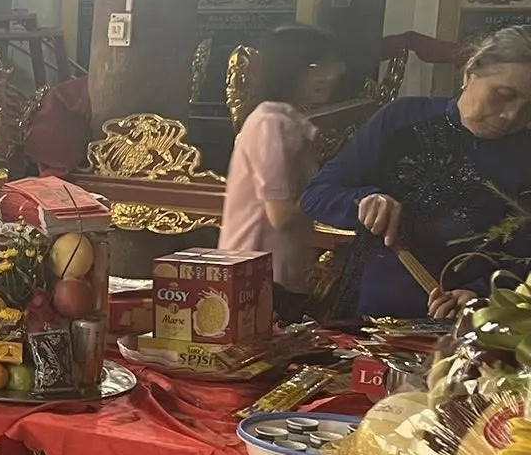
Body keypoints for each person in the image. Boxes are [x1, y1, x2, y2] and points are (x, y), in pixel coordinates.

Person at [301, 24, 531, 322]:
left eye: (529, 107)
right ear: (470, 73)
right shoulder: (402, 119)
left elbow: (523, 256)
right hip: (375, 313)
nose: (512, 115)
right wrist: (366, 200)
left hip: (473, 323)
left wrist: (481, 293)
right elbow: (316, 194)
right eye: (503, 94)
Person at [219, 24, 346, 321]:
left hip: (278, 276)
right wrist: (335, 195)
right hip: (257, 279)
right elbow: (281, 215)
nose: (328, 76)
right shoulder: (271, 125)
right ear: (290, 70)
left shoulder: (288, 121)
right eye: (315, 67)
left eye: (329, 66)